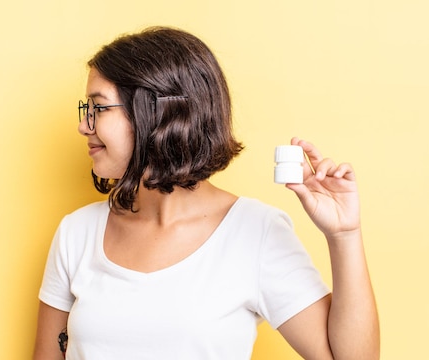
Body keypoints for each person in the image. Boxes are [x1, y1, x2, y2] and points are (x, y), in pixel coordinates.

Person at [33, 27, 379, 360]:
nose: (83, 125)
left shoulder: (255, 231)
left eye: (99, 108)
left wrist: (344, 235)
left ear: (157, 113)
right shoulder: (77, 232)